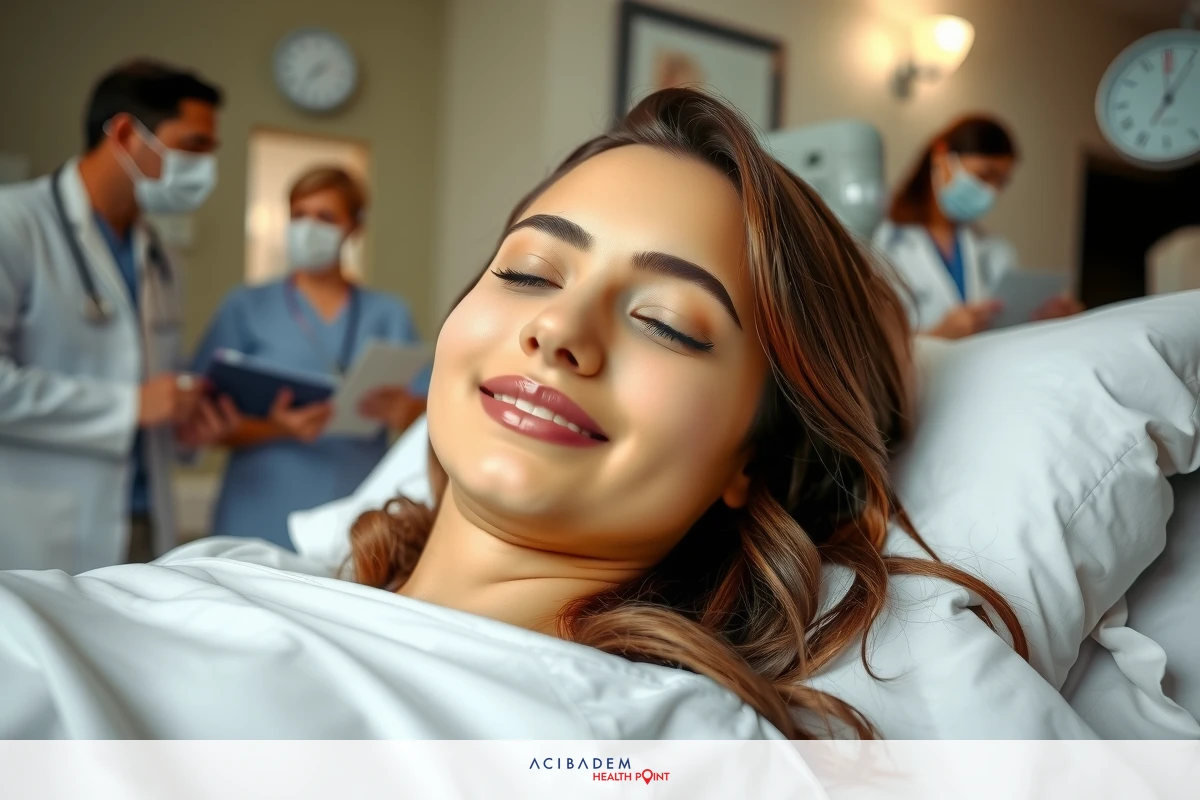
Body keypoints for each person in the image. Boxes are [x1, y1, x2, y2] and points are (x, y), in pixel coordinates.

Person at [0, 89, 1025, 740]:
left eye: (668, 322)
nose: (558, 330)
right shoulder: (236, 572)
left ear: (750, 456)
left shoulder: (654, 753)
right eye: (530, 270)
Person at [0, 60, 237, 573]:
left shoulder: (160, 256)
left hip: (145, 523)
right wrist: (130, 405)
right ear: (127, 133)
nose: (206, 169)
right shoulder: (15, 224)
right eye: (193, 146)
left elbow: (151, 396)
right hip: (36, 528)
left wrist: (185, 428)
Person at [192, 166, 427, 550]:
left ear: (355, 226)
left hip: (355, 514)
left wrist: (407, 411)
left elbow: (436, 414)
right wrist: (278, 427)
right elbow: (200, 417)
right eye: (298, 215)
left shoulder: (388, 314)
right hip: (257, 511)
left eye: (325, 217)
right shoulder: (247, 307)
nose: (308, 227)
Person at [873, 115, 1082, 338]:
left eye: (1001, 182)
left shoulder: (995, 250)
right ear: (941, 155)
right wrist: (937, 336)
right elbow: (870, 346)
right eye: (984, 174)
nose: (992, 192)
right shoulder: (885, 242)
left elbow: (1005, 333)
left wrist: (1042, 321)